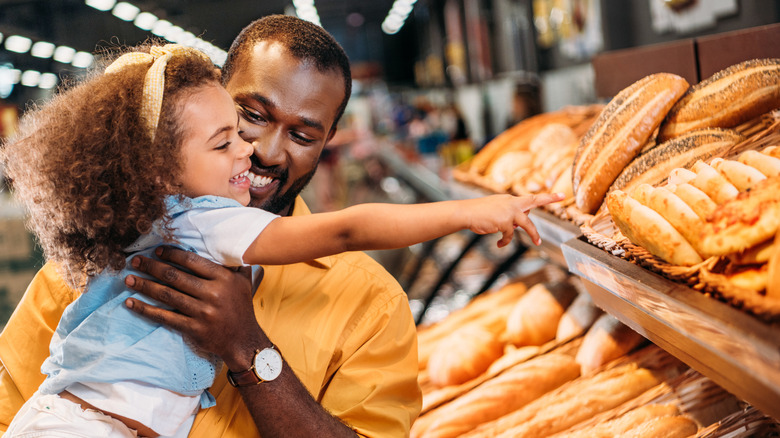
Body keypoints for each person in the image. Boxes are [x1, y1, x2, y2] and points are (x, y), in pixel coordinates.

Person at [0, 16, 559, 437]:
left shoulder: (371, 305)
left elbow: (351, 231)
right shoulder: (100, 262)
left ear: (327, 144)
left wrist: (248, 349)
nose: (263, 152)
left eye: (301, 134)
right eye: (251, 116)